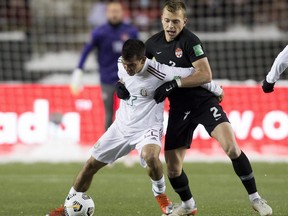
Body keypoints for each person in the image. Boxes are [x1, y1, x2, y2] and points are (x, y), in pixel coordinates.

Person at [47, 39, 222, 216]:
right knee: (90, 165)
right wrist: (119, 85)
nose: (128, 68)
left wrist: (216, 89)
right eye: (125, 64)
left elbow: (196, 73)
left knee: (151, 157)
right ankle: (69, 206)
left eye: (132, 65)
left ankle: (162, 198)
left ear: (143, 60)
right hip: (121, 127)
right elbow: (123, 76)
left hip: (148, 128)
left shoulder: (160, 71)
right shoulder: (121, 64)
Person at [145, 1, 273, 216]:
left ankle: (256, 199)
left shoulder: (190, 41)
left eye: (176, 21)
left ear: (184, 22)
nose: (170, 26)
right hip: (179, 108)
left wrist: (174, 83)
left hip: (203, 102)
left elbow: (205, 74)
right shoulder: (151, 44)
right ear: (161, 20)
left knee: (232, 148)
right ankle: (188, 205)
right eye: (167, 20)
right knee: (173, 169)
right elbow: (142, 70)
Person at [71, 1, 138, 130]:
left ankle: (127, 144)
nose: (114, 14)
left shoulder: (130, 31)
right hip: (107, 79)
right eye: (111, 11)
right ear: (107, 13)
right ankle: (108, 145)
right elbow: (86, 51)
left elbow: (141, 52)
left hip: (128, 79)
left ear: (122, 13)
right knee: (109, 114)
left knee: (130, 114)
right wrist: (79, 70)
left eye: (117, 11)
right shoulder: (99, 32)